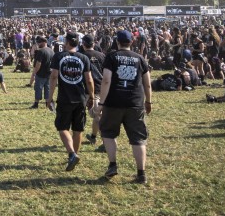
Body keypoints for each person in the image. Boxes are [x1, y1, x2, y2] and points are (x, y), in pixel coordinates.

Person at [99, 30, 152, 184]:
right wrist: (148, 102)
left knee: (108, 133)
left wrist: (101, 103)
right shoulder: (140, 58)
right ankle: (141, 173)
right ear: (132, 42)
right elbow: (147, 83)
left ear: (117, 42)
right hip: (135, 103)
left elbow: (106, 80)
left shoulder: (112, 57)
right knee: (138, 138)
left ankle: (113, 165)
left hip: (113, 103)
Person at [46, 31, 94, 172]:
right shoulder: (84, 58)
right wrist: (91, 96)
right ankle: (74, 155)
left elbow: (54, 77)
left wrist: (49, 97)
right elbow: (89, 80)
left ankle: (72, 154)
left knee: (62, 128)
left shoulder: (59, 57)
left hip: (65, 98)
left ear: (67, 42)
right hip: (80, 98)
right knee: (78, 129)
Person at [80, 34, 106, 147]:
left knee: (97, 116)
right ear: (93, 44)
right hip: (102, 88)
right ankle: (93, 137)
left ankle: (106, 143)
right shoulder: (102, 55)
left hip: (89, 90)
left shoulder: (81, 56)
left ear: (83, 44)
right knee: (97, 115)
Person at [30, 36, 53, 109]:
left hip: (41, 73)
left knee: (38, 88)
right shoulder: (51, 51)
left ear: (44, 42)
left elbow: (38, 64)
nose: (38, 44)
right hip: (49, 73)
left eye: (39, 42)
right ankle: (47, 103)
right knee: (47, 88)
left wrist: (34, 72)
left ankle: (36, 104)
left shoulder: (40, 51)